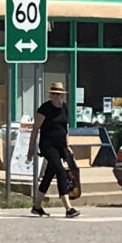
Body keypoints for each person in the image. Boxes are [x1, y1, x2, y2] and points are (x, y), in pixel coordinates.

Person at [27, 81, 80, 218]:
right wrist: (31, 148)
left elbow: (65, 128)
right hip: (48, 145)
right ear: (50, 95)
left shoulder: (64, 108)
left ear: (62, 95)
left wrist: (67, 145)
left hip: (60, 146)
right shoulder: (45, 108)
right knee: (60, 172)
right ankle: (68, 208)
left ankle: (36, 207)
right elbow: (35, 129)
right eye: (54, 94)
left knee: (49, 175)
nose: (56, 96)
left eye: (59, 94)